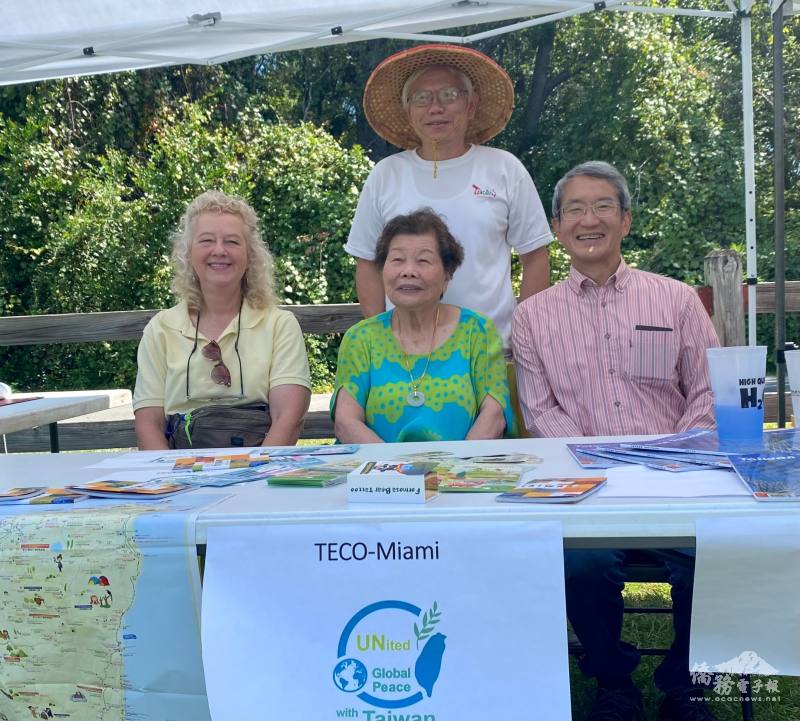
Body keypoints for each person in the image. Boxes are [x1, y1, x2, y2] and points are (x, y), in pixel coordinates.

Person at [512, 161, 720, 721]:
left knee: (713, 555)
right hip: (587, 488)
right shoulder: (532, 317)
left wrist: (668, 463)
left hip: (674, 481)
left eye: (602, 206)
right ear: (557, 228)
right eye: (574, 209)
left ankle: (685, 681)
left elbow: (706, 394)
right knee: (582, 565)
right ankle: (613, 681)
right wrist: (596, 470)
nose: (589, 219)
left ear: (625, 220)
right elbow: (539, 410)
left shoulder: (675, 301)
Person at [346, 43, 551, 351]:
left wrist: (523, 335)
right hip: (405, 355)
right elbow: (366, 263)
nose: (436, 108)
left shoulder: (504, 168)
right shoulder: (386, 174)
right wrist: (384, 341)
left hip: (493, 351)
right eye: (422, 98)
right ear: (408, 110)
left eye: (449, 95)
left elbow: (535, 257)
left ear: (471, 104)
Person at [133, 190, 311, 449]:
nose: (219, 250)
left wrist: (253, 479)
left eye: (232, 242)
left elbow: (288, 419)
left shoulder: (280, 325)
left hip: (260, 470)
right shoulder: (160, 329)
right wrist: (173, 481)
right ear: (188, 253)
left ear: (250, 255)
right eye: (206, 240)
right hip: (177, 475)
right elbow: (148, 424)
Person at [332, 208, 513, 443]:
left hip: (462, 471)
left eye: (423, 260)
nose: (408, 272)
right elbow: (346, 423)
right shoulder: (361, 338)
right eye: (397, 260)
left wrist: (454, 470)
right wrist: (396, 473)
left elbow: (494, 416)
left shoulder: (476, 331)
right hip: (382, 475)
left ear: (447, 274)